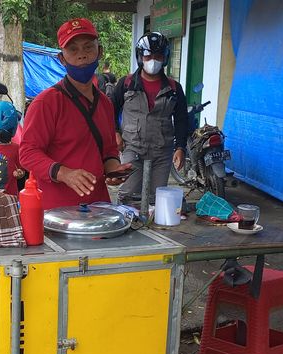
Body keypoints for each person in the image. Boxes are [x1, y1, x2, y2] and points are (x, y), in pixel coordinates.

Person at [19, 18, 131, 210]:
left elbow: (109, 151)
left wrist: (113, 169)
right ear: (62, 58)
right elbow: (27, 153)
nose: (82, 56)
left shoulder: (105, 103)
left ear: (99, 51)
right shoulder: (46, 103)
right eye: (73, 49)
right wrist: (63, 173)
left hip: (98, 207)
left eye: (88, 48)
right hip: (57, 211)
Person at [111, 32, 188, 210]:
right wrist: (115, 132)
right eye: (148, 56)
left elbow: (182, 120)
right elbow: (110, 110)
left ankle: (152, 232)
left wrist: (181, 147)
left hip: (162, 151)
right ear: (140, 57)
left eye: (158, 56)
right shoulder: (126, 83)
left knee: (157, 199)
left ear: (165, 58)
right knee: (128, 195)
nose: (153, 60)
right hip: (132, 147)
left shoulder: (174, 88)